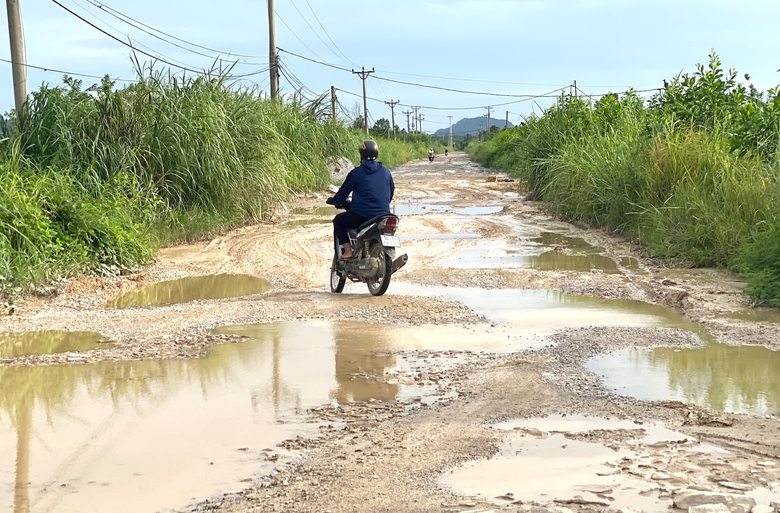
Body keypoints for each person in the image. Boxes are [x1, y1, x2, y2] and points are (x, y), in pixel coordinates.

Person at [328, 140, 394, 259]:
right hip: (383, 215)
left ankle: (348, 251)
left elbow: (343, 193)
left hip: (362, 216)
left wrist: (335, 201)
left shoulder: (356, 173)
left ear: (361, 155)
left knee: (338, 221)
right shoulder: (386, 172)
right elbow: (390, 193)